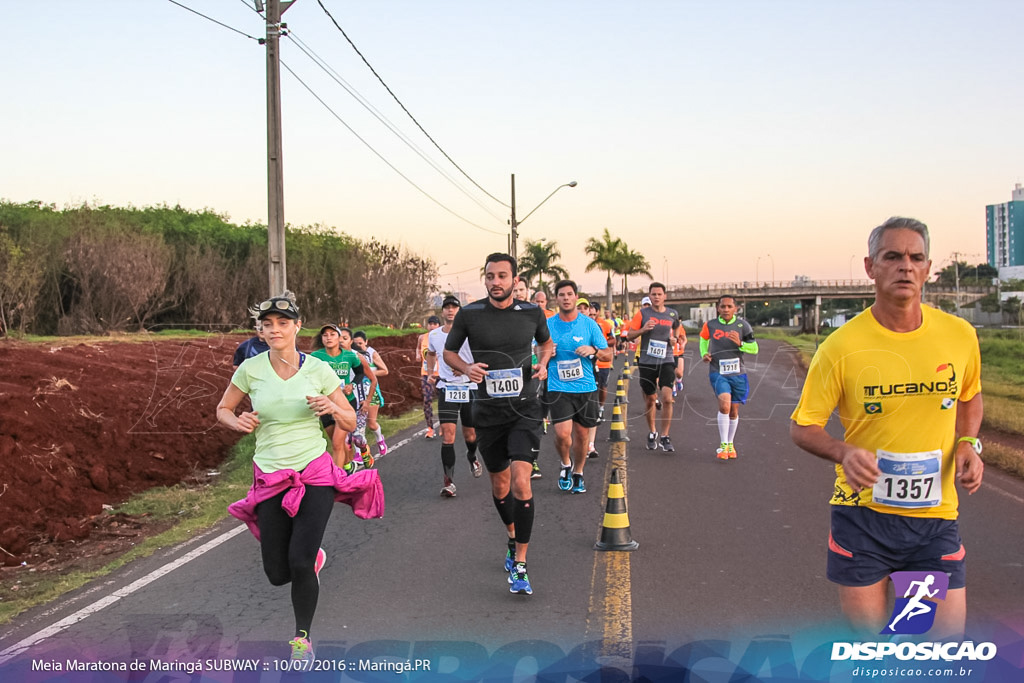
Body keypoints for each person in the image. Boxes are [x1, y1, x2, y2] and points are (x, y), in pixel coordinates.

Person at [790, 217, 983, 639]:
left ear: (928, 268)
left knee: (937, 651)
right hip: (863, 518)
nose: (905, 267)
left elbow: (969, 394)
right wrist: (843, 452)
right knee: (871, 651)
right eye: (892, 257)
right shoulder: (841, 347)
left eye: (916, 258)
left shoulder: (959, 335)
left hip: (933, 521)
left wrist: (968, 441)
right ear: (870, 267)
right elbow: (804, 427)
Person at [216, 295, 384, 663]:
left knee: (300, 560)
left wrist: (331, 408)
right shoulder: (251, 368)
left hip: (314, 473)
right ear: (260, 330)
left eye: (282, 322)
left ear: (297, 326)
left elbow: (349, 420)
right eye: (267, 324)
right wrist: (237, 421)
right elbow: (223, 408)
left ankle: (301, 640)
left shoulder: (318, 370)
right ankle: (313, 560)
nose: (274, 329)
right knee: (277, 573)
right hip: (271, 475)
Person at [444, 253, 552, 596]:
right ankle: (510, 536)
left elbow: (546, 343)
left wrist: (544, 361)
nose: (496, 282)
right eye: (490, 276)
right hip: (488, 413)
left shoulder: (532, 313)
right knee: (501, 485)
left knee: (522, 482)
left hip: (525, 409)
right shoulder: (470, 313)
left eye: (502, 276)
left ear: (515, 280)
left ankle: (520, 563)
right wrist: (466, 368)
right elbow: (449, 352)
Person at [546, 284, 611, 494]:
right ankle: (565, 464)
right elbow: (534, 352)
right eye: (561, 295)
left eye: (569, 295)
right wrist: (545, 351)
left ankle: (579, 472)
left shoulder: (589, 325)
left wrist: (593, 350)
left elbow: (608, 353)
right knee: (563, 434)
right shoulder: (547, 325)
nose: (566, 298)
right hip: (558, 386)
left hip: (585, 386)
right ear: (556, 299)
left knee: (582, 435)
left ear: (576, 297)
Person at [426, 295, 482, 497]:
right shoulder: (434, 335)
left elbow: (481, 354)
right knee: (448, 434)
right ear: (442, 312)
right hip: (447, 388)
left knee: (470, 435)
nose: (450, 311)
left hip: (469, 387)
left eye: (454, 307)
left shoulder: (471, 333)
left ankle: (472, 455)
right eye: (447, 307)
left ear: (460, 311)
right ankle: (449, 482)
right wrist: (431, 372)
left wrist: (465, 368)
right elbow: (430, 353)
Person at [699, 295, 758, 460]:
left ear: (735, 308)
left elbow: (754, 348)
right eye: (722, 307)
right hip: (718, 371)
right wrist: (704, 353)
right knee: (724, 405)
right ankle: (723, 444)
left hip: (738, 373)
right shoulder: (710, 325)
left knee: (733, 410)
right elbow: (703, 339)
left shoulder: (743, 325)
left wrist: (740, 344)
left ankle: (730, 444)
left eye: (729, 307)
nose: (725, 310)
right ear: (717, 308)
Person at [310, 324, 375, 469]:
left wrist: (351, 385)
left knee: (337, 443)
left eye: (332, 334)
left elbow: (360, 373)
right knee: (336, 441)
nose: (328, 338)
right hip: (325, 405)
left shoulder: (350, 356)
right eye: (325, 335)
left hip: (346, 403)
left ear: (339, 338)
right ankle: (348, 466)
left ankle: (338, 478)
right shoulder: (315, 357)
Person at [626, 284, 679, 452]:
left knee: (667, 397)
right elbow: (629, 335)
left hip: (667, 359)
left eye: (659, 294)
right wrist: (643, 329)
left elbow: (677, 328)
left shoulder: (672, 314)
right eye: (653, 294)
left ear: (665, 296)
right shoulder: (643, 314)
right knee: (650, 399)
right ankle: (652, 431)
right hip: (647, 361)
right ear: (649, 296)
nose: (656, 297)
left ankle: (665, 436)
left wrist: (675, 339)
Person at [352, 331, 390, 457]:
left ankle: (380, 440)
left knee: (371, 423)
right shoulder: (351, 355)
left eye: (361, 343)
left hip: (371, 391)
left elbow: (385, 370)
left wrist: (368, 373)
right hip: (356, 392)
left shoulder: (372, 353)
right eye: (355, 343)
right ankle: (359, 452)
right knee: (356, 424)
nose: (358, 346)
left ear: (366, 342)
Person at [418, 316, 441, 439]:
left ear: (438, 325)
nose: (432, 326)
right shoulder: (422, 337)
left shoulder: (442, 337)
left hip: (441, 375)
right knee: (427, 400)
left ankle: (444, 424)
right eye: (430, 323)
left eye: (435, 324)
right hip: (426, 374)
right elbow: (418, 348)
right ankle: (430, 428)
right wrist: (418, 355)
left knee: (442, 401)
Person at [672, 320, 687, 396]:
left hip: (679, 352)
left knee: (679, 373)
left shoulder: (679, 327)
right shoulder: (664, 327)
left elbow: (684, 339)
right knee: (670, 371)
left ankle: (679, 380)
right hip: (669, 353)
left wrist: (683, 344)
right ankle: (673, 388)